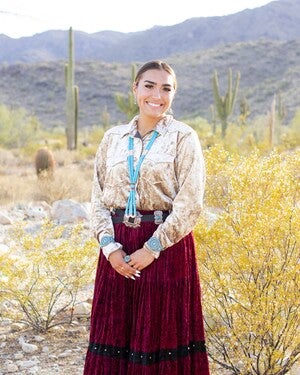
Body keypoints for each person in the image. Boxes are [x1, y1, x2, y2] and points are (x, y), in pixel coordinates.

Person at [83, 60, 210, 374]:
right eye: (149, 85)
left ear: (173, 94)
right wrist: (109, 247)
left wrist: (153, 247)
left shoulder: (183, 137)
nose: (157, 94)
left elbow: (191, 202)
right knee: (115, 333)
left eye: (166, 88)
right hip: (117, 247)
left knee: (159, 338)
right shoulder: (113, 138)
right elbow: (97, 197)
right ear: (135, 89)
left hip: (165, 246)